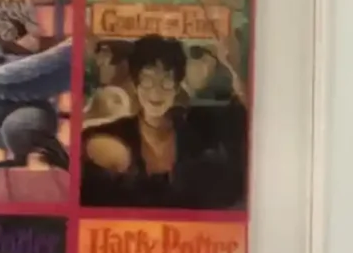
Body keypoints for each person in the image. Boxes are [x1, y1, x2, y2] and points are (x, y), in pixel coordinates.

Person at [79, 33, 248, 209]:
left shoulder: (198, 131)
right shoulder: (108, 136)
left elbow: (246, 117)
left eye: (166, 81)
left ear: (177, 87)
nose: (156, 92)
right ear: (136, 84)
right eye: (147, 80)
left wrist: (233, 67)